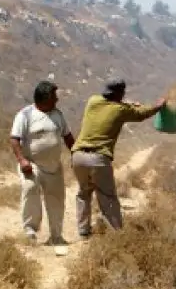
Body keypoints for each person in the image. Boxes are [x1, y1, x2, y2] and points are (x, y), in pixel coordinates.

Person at [71, 78, 166, 239]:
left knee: (83, 193)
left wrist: (127, 104)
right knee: (107, 197)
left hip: (78, 156)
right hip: (98, 158)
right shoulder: (121, 110)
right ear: (120, 94)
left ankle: (83, 231)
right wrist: (159, 104)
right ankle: (116, 236)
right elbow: (143, 113)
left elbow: (116, 104)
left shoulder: (93, 101)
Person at [9, 80, 75, 245]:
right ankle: (30, 230)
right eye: (54, 96)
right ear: (44, 98)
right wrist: (22, 160)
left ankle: (56, 236)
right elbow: (14, 139)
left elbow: (67, 136)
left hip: (54, 167)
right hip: (32, 165)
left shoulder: (58, 115)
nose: (56, 100)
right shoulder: (25, 115)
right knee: (30, 190)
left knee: (57, 199)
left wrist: (76, 153)